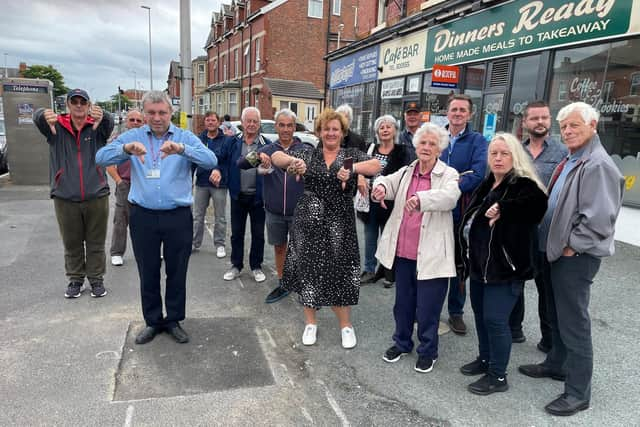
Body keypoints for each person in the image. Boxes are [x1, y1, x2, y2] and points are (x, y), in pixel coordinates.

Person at [518, 102, 624, 416]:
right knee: (556, 314)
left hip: (574, 258)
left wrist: (571, 247)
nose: (567, 132)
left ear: (593, 125)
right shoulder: (572, 158)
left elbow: (599, 221)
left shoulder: (598, 164)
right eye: (564, 127)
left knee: (574, 322)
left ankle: (578, 393)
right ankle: (556, 365)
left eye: (574, 125)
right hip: (555, 253)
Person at [96, 90, 217, 345]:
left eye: (162, 112)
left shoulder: (184, 137)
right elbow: (101, 157)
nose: (157, 118)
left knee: (177, 270)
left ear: (170, 113)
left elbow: (210, 159)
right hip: (143, 216)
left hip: (178, 216)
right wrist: (126, 149)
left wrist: (182, 150)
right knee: (148, 270)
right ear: (144, 113)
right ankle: (152, 321)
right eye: (151, 113)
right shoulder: (133, 136)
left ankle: (173, 319)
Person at [270, 108, 381, 348]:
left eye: (336, 129)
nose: (331, 133)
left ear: (342, 133)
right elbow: (277, 157)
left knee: (340, 270)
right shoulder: (309, 154)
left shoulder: (350, 155)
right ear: (319, 132)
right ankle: (311, 323)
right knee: (308, 270)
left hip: (340, 223)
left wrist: (354, 170)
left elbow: (375, 165)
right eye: (326, 129)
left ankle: (345, 325)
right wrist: (292, 160)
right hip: (307, 221)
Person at [457, 132, 547, 395]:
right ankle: (485, 360)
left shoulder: (523, 185)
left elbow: (537, 205)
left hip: (504, 270)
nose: (498, 158)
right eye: (494, 153)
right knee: (483, 319)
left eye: (504, 153)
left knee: (496, 321)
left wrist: (504, 209)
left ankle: (497, 376)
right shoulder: (488, 184)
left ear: (514, 156)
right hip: (480, 266)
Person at [372, 123, 460, 373]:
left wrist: (422, 199)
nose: (427, 147)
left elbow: (450, 198)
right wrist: (380, 187)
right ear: (416, 145)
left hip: (432, 255)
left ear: (440, 149)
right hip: (404, 252)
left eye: (433, 144)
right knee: (403, 304)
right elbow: (388, 182)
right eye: (423, 142)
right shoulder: (408, 170)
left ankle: (428, 351)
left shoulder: (448, 174)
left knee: (428, 308)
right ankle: (401, 343)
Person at [33, 88, 114, 299]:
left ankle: (96, 279)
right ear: (68, 105)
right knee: (72, 242)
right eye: (74, 102)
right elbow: (38, 119)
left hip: (96, 194)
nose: (79, 105)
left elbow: (110, 122)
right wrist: (42, 113)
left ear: (88, 105)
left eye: (83, 102)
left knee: (96, 242)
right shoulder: (55, 128)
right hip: (65, 196)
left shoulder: (97, 129)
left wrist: (103, 115)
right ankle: (76, 279)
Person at [508, 101, 568, 350]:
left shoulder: (563, 152)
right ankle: (514, 329)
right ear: (525, 122)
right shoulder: (515, 152)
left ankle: (548, 339)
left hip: (547, 232)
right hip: (520, 231)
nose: (540, 122)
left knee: (547, 289)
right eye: (534, 118)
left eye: (544, 117)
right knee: (515, 283)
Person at [239, 108, 308, 304]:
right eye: (282, 125)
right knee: (279, 248)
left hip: (299, 211)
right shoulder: (266, 150)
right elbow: (241, 163)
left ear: (295, 127)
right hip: (274, 211)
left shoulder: (305, 150)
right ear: (276, 126)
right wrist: (259, 158)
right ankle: (283, 282)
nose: (286, 129)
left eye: (289, 125)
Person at [440, 94, 488, 336]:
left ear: (469, 114)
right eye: (454, 109)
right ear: (447, 113)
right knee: (434, 262)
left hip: (461, 212)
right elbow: (426, 167)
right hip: (436, 212)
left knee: (460, 264)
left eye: (462, 110)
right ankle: (429, 307)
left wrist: (449, 185)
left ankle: (456, 312)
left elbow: (478, 173)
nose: (457, 113)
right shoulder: (437, 137)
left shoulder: (478, 141)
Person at [216, 107, 270, 283]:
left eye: (255, 121)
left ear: (259, 123)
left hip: (258, 197)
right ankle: (236, 266)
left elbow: (273, 169)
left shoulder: (266, 144)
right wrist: (216, 170)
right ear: (242, 122)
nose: (252, 124)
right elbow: (221, 160)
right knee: (237, 233)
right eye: (249, 121)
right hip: (237, 195)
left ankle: (256, 266)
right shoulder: (232, 142)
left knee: (258, 234)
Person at [360, 115, 413, 287]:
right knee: (370, 235)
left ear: (395, 131)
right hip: (370, 200)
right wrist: (360, 176)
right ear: (377, 132)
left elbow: (405, 175)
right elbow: (358, 165)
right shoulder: (370, 148)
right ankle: (369, 269)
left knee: (389, 236)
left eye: (388, 127)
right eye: (381, 127)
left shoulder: (402, 151)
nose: (385, 130)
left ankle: (388, 271)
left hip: (391, 201)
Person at [106, 109, 144, 266]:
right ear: (126, 122)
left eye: (138, 120)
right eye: (132, 120)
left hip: (144, 184)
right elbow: (108, 162)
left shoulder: (148, 140)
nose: (135, 123)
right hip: (125, 183)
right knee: (121, 219)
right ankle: (117, 252)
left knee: (145, 221)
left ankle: (147, 251)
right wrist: (118, 181)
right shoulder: (118, 140)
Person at [192, 111, 230, 258]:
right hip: (201, 182)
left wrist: (218, 169)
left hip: (220, 184)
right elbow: (193, 160)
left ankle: (220, 245)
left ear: (218, 122)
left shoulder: (226, 140)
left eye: (213, 120)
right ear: (205, 122)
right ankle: (195, 243)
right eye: (207, 120)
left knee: (220, 217)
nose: (210, 122)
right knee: (197, 215)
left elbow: (227, 161)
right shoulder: (199, 140)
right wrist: (188, 179)